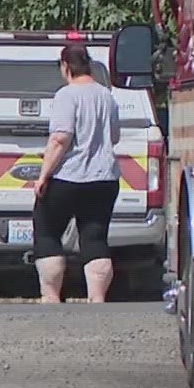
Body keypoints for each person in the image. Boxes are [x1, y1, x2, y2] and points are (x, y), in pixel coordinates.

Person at [30, 42, 122, 304]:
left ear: (66, 66)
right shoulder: (107, 96)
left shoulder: (66, 95)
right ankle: (97, 298)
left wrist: (43, 175)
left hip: (68, 178)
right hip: (104, 179)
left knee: (47, 231)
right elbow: (113, 137)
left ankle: (50, 296)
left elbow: (60, 138)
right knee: (94, 236)